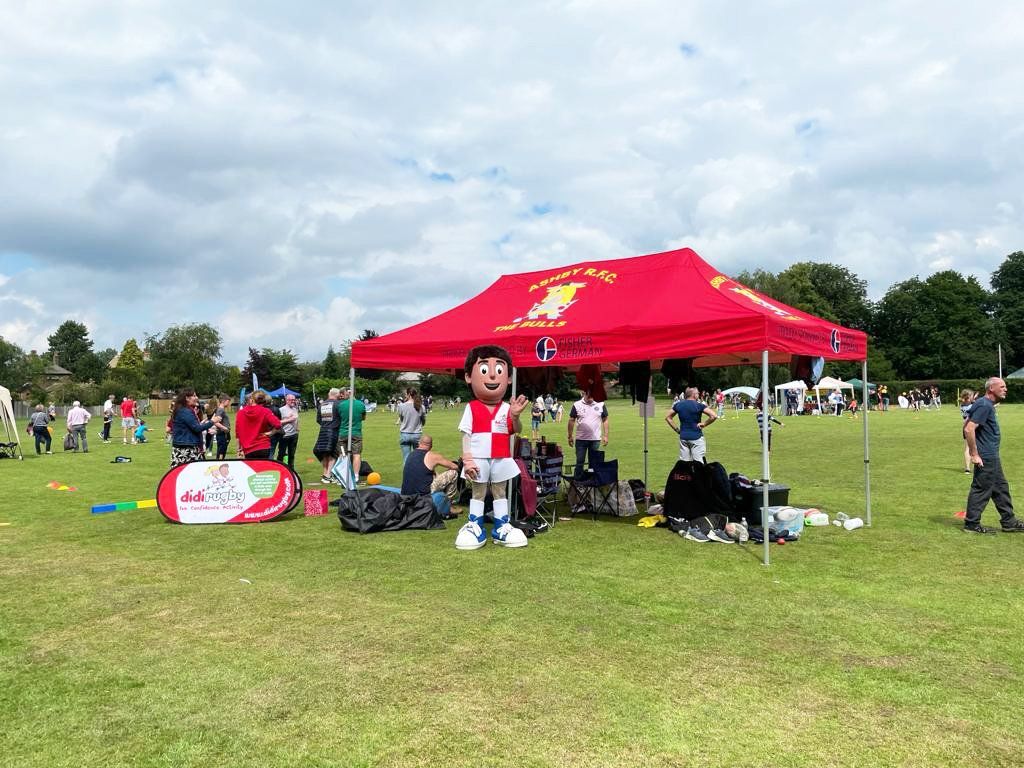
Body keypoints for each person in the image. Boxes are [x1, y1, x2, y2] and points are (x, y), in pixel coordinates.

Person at [454, 345, 529, 550]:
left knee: (499, 491)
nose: (493, 376)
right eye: (485, 370)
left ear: (509, 378)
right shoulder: (471, 407)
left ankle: (501, 525)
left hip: (501, 456)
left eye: (499, 370)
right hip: (478, 457)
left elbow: (516, 430)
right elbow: (466, 434)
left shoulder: (507, 408)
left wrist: (515, 416)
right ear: (469, 377)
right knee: (478, 491)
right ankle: (475, 525)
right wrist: (467, 459)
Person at [963, 377, 1024, 533]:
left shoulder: (984, 404)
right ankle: (971, 524)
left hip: (991, 455)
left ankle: (1009, 521)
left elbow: (966, 423)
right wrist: (974, 454)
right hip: (986, 456)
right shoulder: (984, 405)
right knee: (981, 489)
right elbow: (969, 429)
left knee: (1000, 488)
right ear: (991, 388)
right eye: (1002, 386)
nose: (1006, 389)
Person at [400, 434, 460, 520]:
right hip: (423, 493)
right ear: (431, 446)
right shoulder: (432, 456)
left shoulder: (411, 454)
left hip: (406, 493)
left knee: (433, 473)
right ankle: (448, 506)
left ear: (419, 443)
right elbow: (455, 466)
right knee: (452, 473)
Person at [170, 389, 221, 467]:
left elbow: (193, 426)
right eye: (194, 395)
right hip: (186, 448)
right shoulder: (185, 411)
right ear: (187, 398)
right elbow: (197, 428)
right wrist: (212, 421)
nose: (196, 397)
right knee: (189, 471)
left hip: (184, 445)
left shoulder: (184, 410)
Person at [665, 387, 717, 463]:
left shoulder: (678, 405)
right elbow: (714, 416)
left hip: (683, 437)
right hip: (696, 437)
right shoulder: (699, 405)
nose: (699, 394)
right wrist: (704, 424)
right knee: (698, 464)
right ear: (694, 394)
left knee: (684, 464)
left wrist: (677, 430)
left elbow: (668, 417)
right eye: (698, 393)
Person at [567, 388, 609, 477]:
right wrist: (570, 436)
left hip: (595, 439)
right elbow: (571, 420)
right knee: (580, 462)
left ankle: (591, 479)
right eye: (589, 395)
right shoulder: (577, 405)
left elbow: (605, 420)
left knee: (593, 462)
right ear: (584, 393)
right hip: (581, 440)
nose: (591, 397)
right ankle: (578, 480)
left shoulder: (600, 404)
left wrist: (606, 436)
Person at [235, 390, 282, 459]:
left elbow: (238, 433)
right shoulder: (265, 411)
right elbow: (278, 424)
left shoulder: (240, 413)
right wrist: (271, 433)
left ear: (252, 399)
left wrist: (238, 449)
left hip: (248, 448)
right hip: (263, 446)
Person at [338, 388, 368, 480]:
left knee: (342, 454)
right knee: (356, 454)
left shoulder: (341, 405)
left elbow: (339, 417)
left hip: (343, 434)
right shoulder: (361, 404)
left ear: (347, 394)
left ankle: (343, 475)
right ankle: (356, 476)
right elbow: (363, 417)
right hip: (356, 433)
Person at [313, 388, 342, 483]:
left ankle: (325, 474)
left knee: (325, 453)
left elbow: (318, 419)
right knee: (334, 454)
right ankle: (328, 475)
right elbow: (342, 417)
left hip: (323, 430)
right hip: (334, 431)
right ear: (336, 394)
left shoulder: (322, 404)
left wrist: (325, 424)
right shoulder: (338, 404)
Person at [396, 388, 427, 464]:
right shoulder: (421, 406)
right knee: (418, 458)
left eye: (406, 394)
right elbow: (423, 421)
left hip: (405, 434)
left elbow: (402, 419)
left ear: (409, 394)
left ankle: (407, 471)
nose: (405, 396)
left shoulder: (401, 406)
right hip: (416, 434)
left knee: (406, 458)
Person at [276, 393, 300, 469]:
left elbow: (296, 419)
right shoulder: (281, 410)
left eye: (294, 400)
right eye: (291, 400)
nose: (293, 401)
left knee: (292, 454)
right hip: (284, 435)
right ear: (286, 400)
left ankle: (291, 470)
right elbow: (277, 422)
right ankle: (279, 468)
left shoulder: (295, 409)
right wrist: (288, 419)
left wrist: (297, 427)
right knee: (281, 454)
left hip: (294, 435)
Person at [960, 389, 977, 474]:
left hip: (965, 427)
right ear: (969, 397)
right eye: (972, 396)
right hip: (972, 427)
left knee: (967, 448)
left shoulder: (962, 405)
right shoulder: (972, 406)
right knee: (975, 447)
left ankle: (967, 468)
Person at [214, 395, 232, 460]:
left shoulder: (222, 410)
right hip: (222, 434)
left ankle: (220, 462)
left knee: (222, 451)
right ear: (223, 401)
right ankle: (218, 463)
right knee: (221, 452)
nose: (229, 403)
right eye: (228, 401)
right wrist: (225, 428)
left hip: (224, 434)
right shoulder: (220, 410)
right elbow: (215, 422)